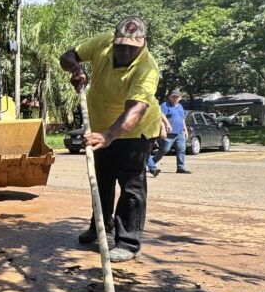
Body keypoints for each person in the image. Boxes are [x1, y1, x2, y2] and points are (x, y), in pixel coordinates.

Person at [59, 16, 161, 263]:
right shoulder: (102, 43)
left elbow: (135, 109)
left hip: (134, 132)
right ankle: (100, 228)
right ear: (114, 40)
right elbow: (67, 55)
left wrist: (109, 135)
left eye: (132, 47)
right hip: (99, 128)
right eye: (121, 45)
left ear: (143, 43)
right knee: (101, 180)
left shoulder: (147, 68)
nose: (125, 51)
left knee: (131, 187)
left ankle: (128, 242)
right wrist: (76, 69)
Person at [152, 89, 192, 174]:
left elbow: (182, 119)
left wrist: (185, 130)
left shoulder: (180, 106)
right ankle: (151, 163)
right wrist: (163, 129)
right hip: (169, 134)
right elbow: (159, 117)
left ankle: (180, 167)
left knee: (181, 149)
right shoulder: (165, 105)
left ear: (180, 98)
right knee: (164, 150)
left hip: (180, 132)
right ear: (170, 97)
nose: (175, 98)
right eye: (173, 96)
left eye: (177, 97)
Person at [146, 111, 171, 178]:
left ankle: (152, 168)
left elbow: (159, 114)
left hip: (150, 132)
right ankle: (152, 169)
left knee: (146, 152)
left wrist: (165, 126)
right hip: (141, 132)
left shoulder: (152, 103)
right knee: (145, 152)